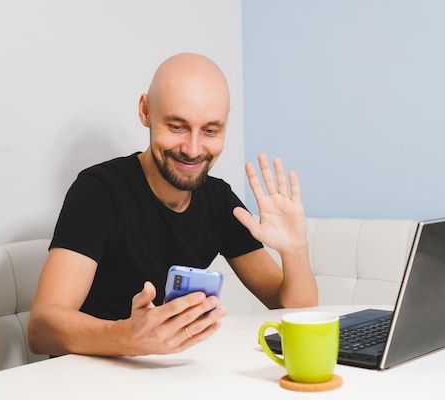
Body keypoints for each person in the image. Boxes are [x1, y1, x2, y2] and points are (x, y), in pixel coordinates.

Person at [27, 52, 318, 358]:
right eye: (177, 126)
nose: (193, 150)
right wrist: (126, 336)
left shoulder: (218, 200)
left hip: (168, 380)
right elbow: (41, 331)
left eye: (210, 130)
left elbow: (297, 313)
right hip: (90, 383)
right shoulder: (98, 192)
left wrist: (296, 249)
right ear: (145, 112)